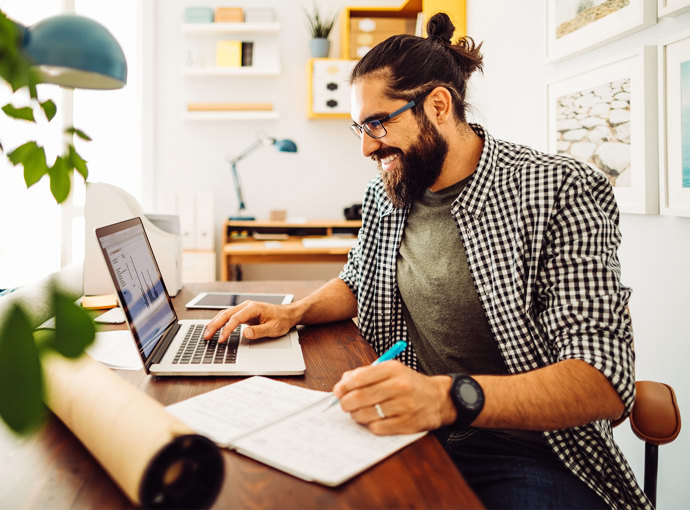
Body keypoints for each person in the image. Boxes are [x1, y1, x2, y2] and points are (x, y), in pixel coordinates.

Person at [205, 13, 649, 509]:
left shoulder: (559, 188)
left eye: (377, 124)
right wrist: (294, 312)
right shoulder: (393, 191)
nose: (367, 147)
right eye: (359, 127)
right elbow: (359, 280)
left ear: (438, 105)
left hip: (526, 449)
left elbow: (603, 379)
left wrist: (443, 399)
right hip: (412, 432)